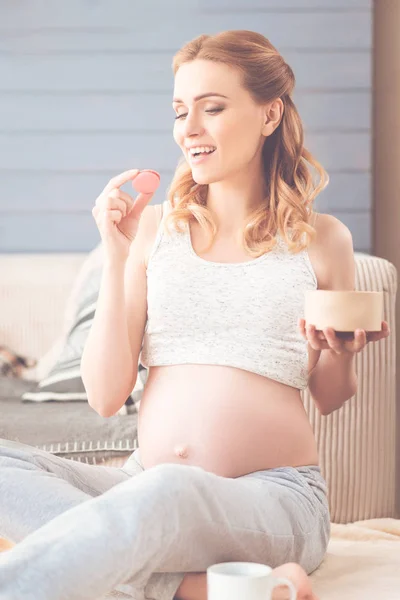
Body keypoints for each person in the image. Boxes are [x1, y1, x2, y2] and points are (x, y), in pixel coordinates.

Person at [0, 29, 390, 600]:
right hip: (144, 486)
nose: (190, 129)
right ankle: (194, 586)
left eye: (212, 108)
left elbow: (329, 396)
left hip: (275, 499)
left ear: (269, 114)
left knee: (167, 495)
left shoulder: (321, 239)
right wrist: (115, 254)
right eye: (181, 111)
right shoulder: (155, 231)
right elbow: (106, 396)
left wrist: (341, 353)